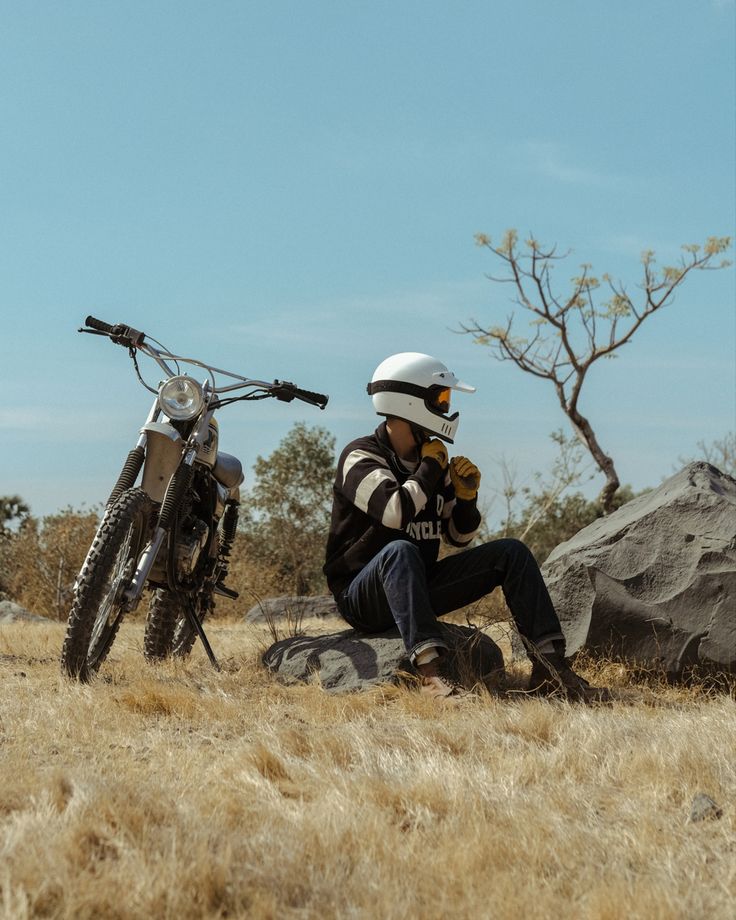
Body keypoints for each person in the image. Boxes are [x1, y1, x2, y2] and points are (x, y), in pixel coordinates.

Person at [323, 352, 606, 702]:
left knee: (510, 552)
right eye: (441, 398)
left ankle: (551, 671)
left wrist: (466, 497)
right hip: (362, 596)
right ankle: (431, 679)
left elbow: (458, 538)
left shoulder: (434, 463)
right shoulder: (362, 457)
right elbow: (396, 511)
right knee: (400, 550)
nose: (446, 408)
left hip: (418, 588)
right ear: (410, 401)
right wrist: (428, 468)